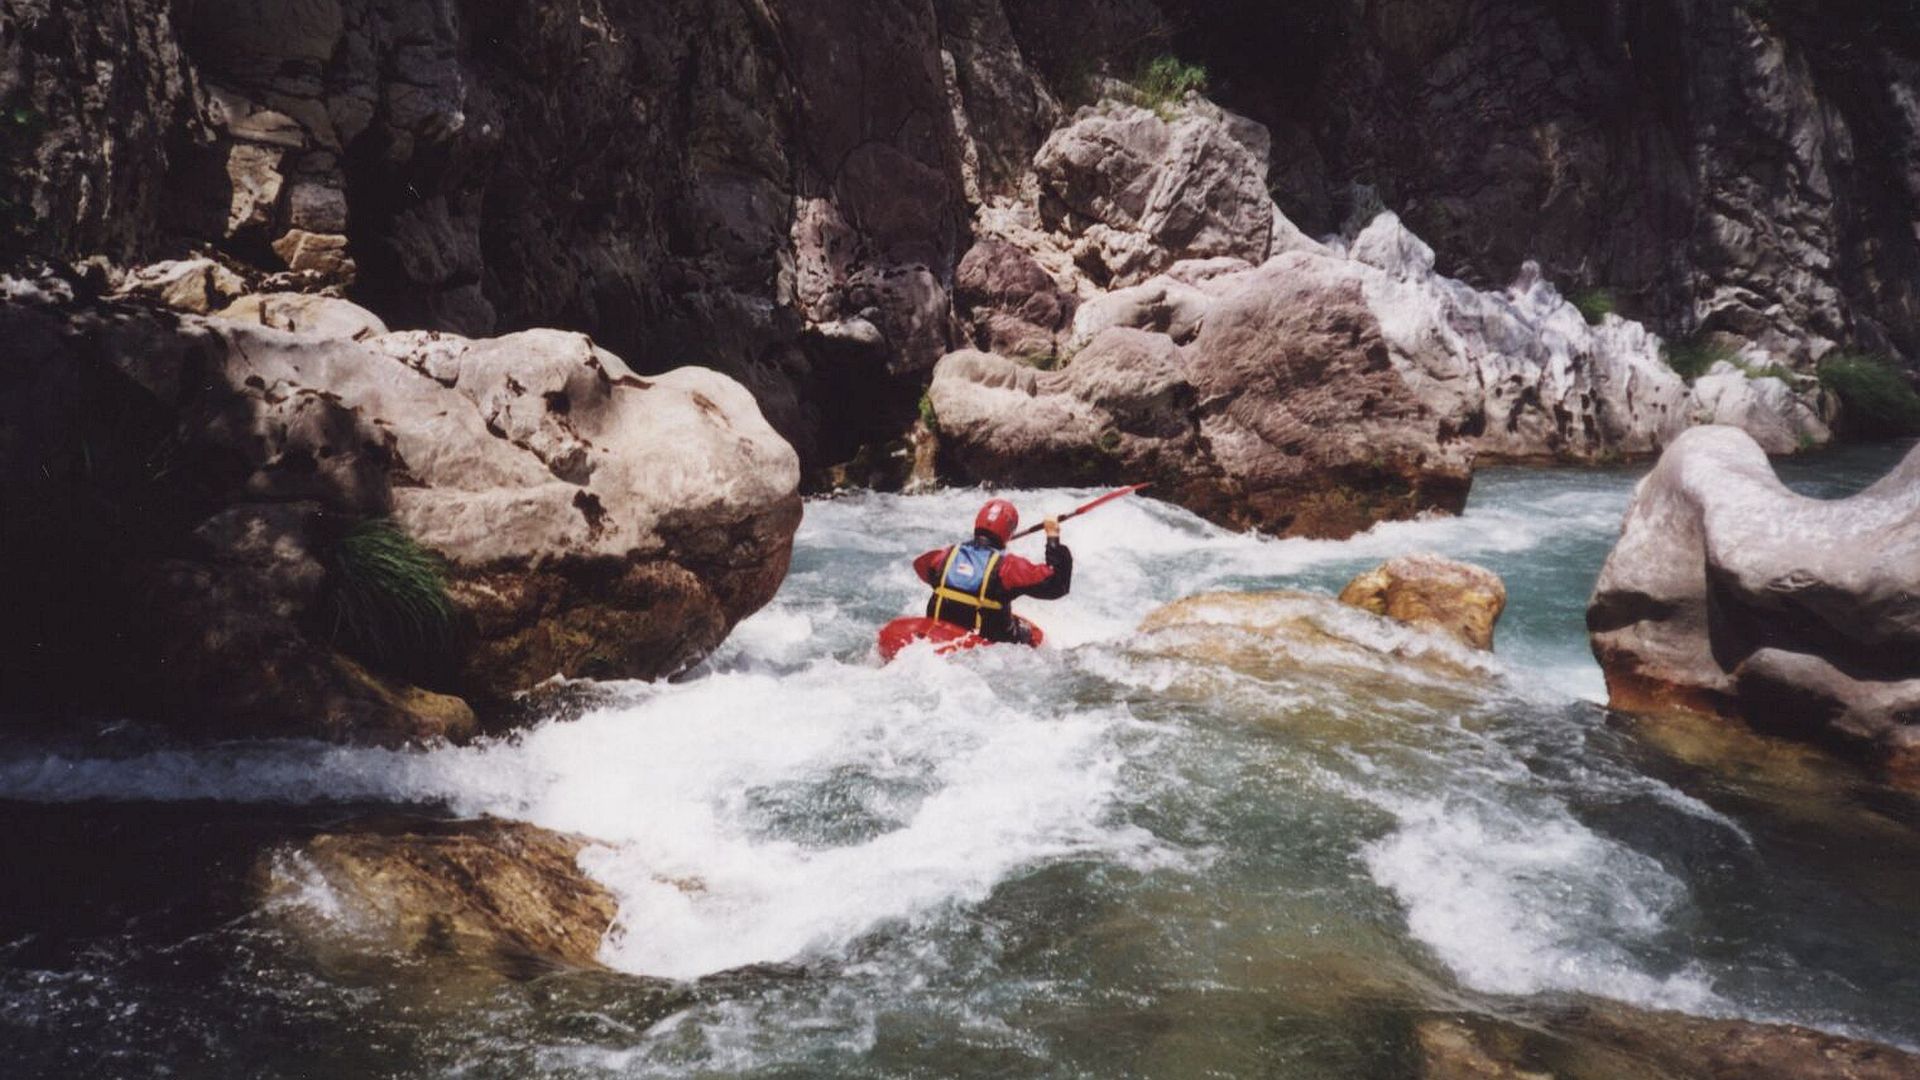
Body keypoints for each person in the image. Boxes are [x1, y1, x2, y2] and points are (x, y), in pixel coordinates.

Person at [912, 498, 1072, 644]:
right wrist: (1053, 536)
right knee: (1030, 635)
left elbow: (922, 568)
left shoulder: (945, 555)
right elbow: (1056, 584)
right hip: (987, 645)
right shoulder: (1008, 567)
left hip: (938, 635)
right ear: (1008, 532)